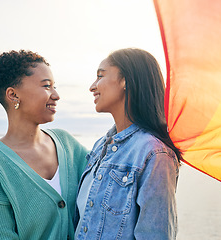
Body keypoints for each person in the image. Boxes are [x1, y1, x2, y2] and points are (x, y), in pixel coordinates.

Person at [0, 50, 88, 240]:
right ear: (13, 95)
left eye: (54, 87)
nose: (56, 95)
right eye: (47, 86)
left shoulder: (67, 144)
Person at [75, 48, 182, 239]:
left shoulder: (155, 153)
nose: (92, 86)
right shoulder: (101, 146)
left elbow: (156, 235)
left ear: (126, 81)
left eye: (100, 76)